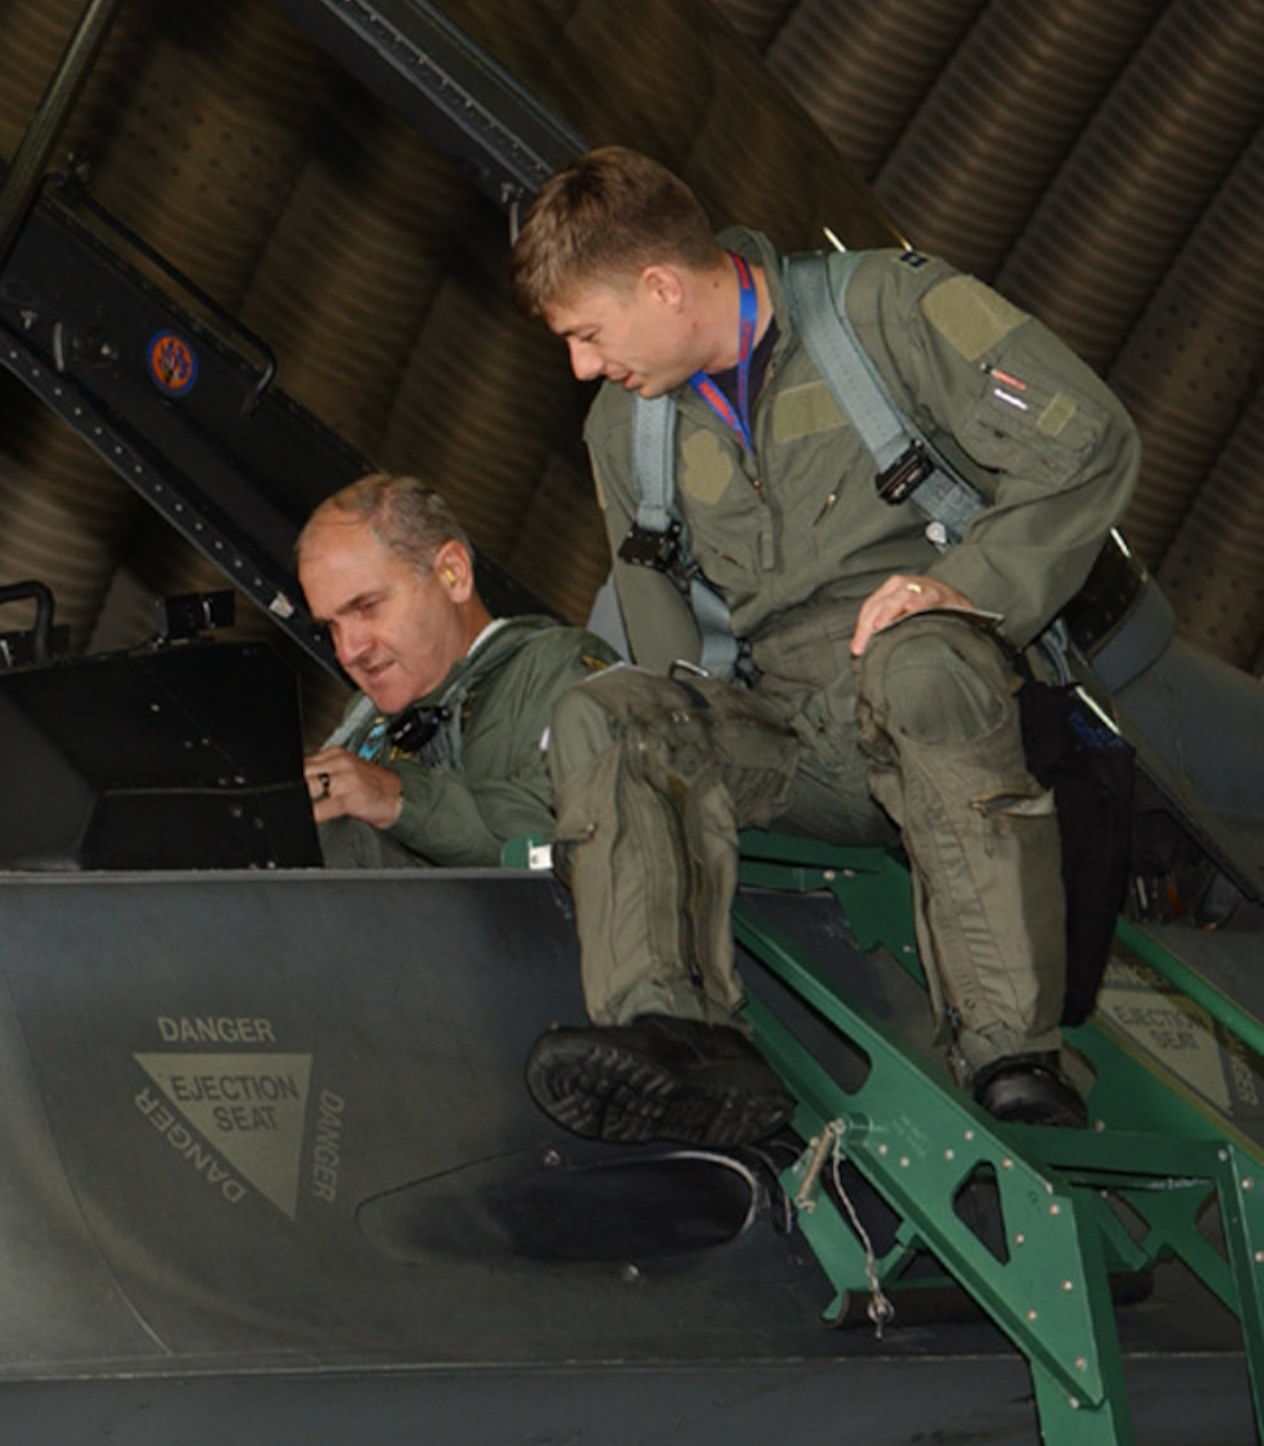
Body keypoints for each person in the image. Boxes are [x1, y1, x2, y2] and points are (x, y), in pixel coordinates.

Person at [509, 146, 1141, 1148]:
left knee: (920, 660)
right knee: (607, 707)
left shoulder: (890, 310)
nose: (586, 365)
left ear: (663, 285)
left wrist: (964, 588)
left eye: (588, 333)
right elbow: (670, 651)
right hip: (797, 743)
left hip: (945, 698)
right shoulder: (621, 432)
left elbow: (1089, 440)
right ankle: (679, 1033)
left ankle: (1010, 1054)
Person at [297, 473, 614, 867]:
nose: (348, 650)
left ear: (453, 573)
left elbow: (573, 846)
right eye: (331, 626)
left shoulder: (556, 671)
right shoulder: (365, 723)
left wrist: (394, 797)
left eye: (367, 607)